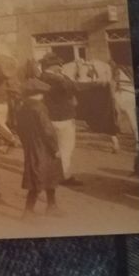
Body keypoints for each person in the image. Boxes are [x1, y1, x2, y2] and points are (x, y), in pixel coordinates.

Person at [17, 78, 64, 217]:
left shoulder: (21, 107)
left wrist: (27, 144)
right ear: (39, 93)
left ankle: (52, 206)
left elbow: (19, 130)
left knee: (44, 177)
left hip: (31, 147)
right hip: (44, 148)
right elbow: (47, 130)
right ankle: (28, 211)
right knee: (40, 178)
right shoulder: (39, 107)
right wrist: (55, 149)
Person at [39, 52, 82, 186]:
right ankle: (64, 176)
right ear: (54, 66)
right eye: (59, 65)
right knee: (66, 147)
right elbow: (73, 87)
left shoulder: (42, 77)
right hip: (63, 118)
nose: (61, 67)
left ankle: (52, 173)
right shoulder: (57, 79)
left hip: (50, 117)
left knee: (53, 148)